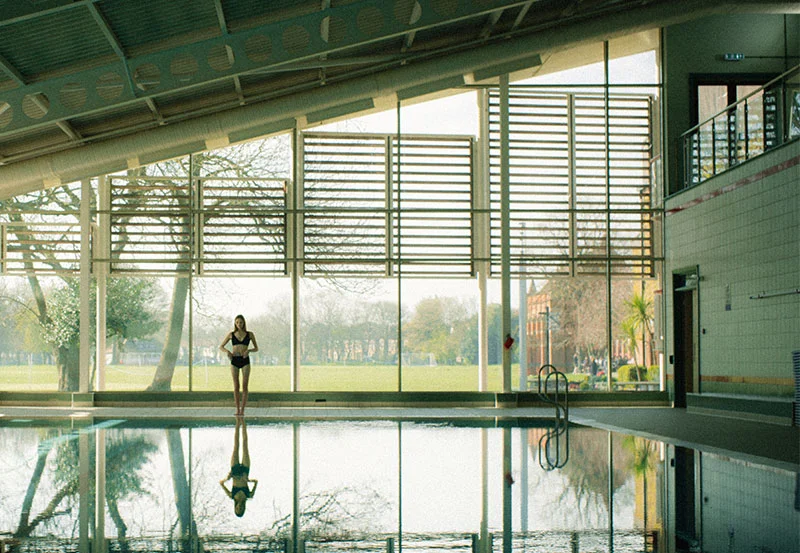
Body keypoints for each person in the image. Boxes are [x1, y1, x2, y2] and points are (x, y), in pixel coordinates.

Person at [220, 314, 259, 416]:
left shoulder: (250, 334)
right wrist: (228, 352)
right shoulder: (231, 334)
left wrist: (248, 351)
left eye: (241, 322)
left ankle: (243, 410)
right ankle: (237, 409)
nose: (239, 324)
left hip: (245, 360)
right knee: (236, 386)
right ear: (235, 323)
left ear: (244, 323)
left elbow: (256, 348)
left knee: (245, 386)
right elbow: (221, 346)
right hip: (234, 360)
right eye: (237, 322)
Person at [220, 417, 258, 517]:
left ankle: (237, 422)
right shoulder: (249, 496)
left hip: (235, 471)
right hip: (245, 470)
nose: (239, 507)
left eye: (237, 509)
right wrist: (249, 480)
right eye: (241, 509)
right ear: (244, 508)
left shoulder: (231, 496)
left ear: (235, 507)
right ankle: (243, 421)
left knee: (236, 445)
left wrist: (227, 478)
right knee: (245, 445)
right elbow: (256, 481)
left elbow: (221, 483)